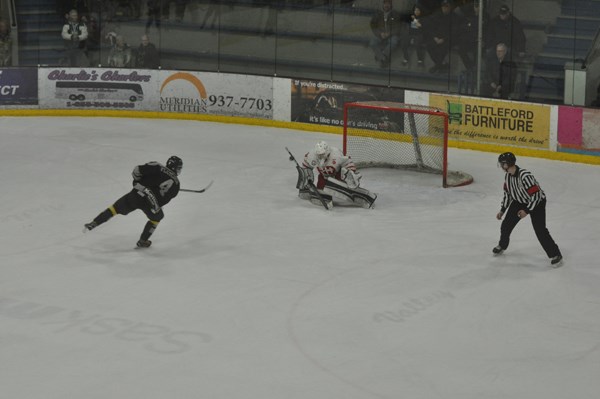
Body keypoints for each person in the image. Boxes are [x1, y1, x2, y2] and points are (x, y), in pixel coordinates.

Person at [84, 156, 183, 248]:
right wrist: (155, 203)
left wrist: (137, 181)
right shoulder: (176, 185)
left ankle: (95, 222)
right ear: (176, 168)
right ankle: (143, 240)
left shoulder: (156, 165)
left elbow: (136, 170)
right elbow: (161, 202)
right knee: (157, 217)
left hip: (136, 195)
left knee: (115, 208)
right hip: (150, 203)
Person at [493, 152, 563, 266]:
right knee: (506, 225)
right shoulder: (507, 176)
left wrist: (527, 210)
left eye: (503, 164)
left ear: (509, 164)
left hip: (537, 203)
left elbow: (536, 196)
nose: (501, 166)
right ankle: (502, 245)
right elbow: (508, 194)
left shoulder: (525, 176)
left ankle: (555, 254)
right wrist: (502, 210)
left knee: (540, 230)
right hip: (519, 202)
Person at [297, 141, 377, 209]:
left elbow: (348, 162)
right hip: (324, 176)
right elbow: (306, 165)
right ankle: (308, 192)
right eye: (319, 154)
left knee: (346, 188)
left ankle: (363, 197)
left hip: (337, 174)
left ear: (327, 151)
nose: (320, 156)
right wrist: (306, 174)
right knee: (321, 191)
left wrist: (350, 172)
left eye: (322, 154)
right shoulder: (312, 155)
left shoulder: (336, 154)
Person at [369, 0, 404, 68]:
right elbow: (373, 25)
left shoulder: (395, 14)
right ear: (383, 4)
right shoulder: (378, 13)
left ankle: (382, 55)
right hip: (381, 34)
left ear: (391, 5)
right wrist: (380, 33)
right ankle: (383, 59)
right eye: (385, 4)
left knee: (394, 42)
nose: (387, 5)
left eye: (388, 4)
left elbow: (398, 27)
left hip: (391, 35)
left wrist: (389, 33)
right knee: (372, 43)